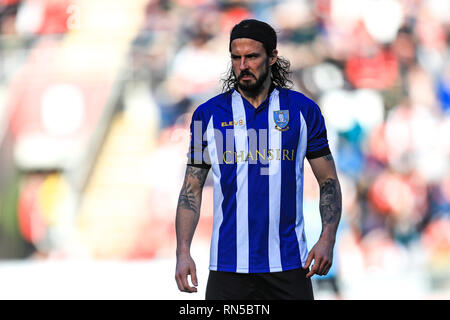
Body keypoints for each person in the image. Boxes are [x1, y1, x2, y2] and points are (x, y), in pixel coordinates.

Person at [175, 19, 342, 300]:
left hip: (288, 264)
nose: (243, 65)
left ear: (272, 57)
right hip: (228, 266)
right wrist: (182, 252)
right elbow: (190, 189)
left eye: (252, 56)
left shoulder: (303, 111)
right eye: (236, 58)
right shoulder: (208, 115)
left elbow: (328, 181)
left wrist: (327, 239)